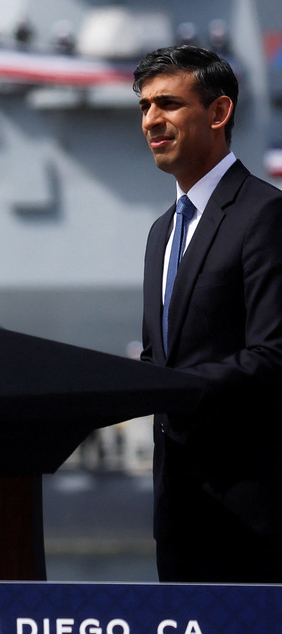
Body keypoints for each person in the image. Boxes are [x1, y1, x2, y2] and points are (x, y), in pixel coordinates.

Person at [134, 45, 282, 582]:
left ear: (218, 113)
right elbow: (156, 358)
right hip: (178, 515)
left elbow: (273, 356)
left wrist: (172, 387)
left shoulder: (265, 214)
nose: (151, 120)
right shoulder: (159, 234)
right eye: (145, 106)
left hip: (251, 518)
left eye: (168, 104)